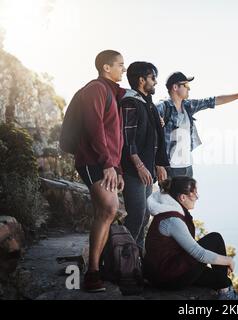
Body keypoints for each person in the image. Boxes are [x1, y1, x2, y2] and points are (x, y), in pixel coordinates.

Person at [143, 176, 238, 300]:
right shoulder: (173, 220)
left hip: (167, 271)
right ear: (182, 197)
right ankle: (226, 294)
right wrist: (228, 260)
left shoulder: (170, 212)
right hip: (168, 277)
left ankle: (225, 289)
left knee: (217, 278)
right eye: (194, 193)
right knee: (214, 239)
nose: (197, 197)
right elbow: (198, 253)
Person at [74, 50, 126, 292]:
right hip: (92, 159)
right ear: (106, 67)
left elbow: (117, 138)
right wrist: (107, 163)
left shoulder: (112, 93)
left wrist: (118, 169)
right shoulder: (96, 89)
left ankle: (97, 269)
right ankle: (92, 272)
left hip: (106, 163)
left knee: (106, 211)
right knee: (108, 208)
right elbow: (94, 127)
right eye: (120, 65)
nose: (123, 69)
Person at [156, 72, 238, 178]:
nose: (189, 89)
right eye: (186, 85)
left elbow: (215, 100)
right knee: (170, 195)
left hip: (187, 166)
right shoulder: (163, 107)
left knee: (188, 195)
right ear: (175, 87)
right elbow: (149, 124)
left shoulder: (188, 106)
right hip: (169, 168)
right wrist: (158, 166)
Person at [120, 62, 169, 253]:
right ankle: (122, 261)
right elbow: (127, 139)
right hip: (134, 171)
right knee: (136, 217)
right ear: (142, 80)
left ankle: (136, 260)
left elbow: (152, 134)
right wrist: (140, 166)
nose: (155, 82)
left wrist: (158, 164)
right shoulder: (130, 102)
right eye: (152, 77)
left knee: (145, 216)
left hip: (146, 170)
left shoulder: (147, 104)